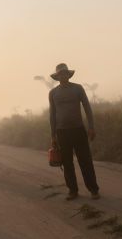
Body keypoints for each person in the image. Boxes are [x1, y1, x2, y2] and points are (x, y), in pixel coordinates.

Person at [49, 63, 100, 200]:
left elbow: (87, 107)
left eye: (65, 73)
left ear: (68, 74)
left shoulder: (78, 88)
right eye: (60, 74)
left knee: (85, 161)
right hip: (62, 132)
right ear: (57, 77)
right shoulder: (53, 93)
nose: (63, 76)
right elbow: (52, 114)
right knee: (67, 163)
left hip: (78, 130)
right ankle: (72, 190)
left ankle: (93, 189)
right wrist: (53, 135)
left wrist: (91, 126)